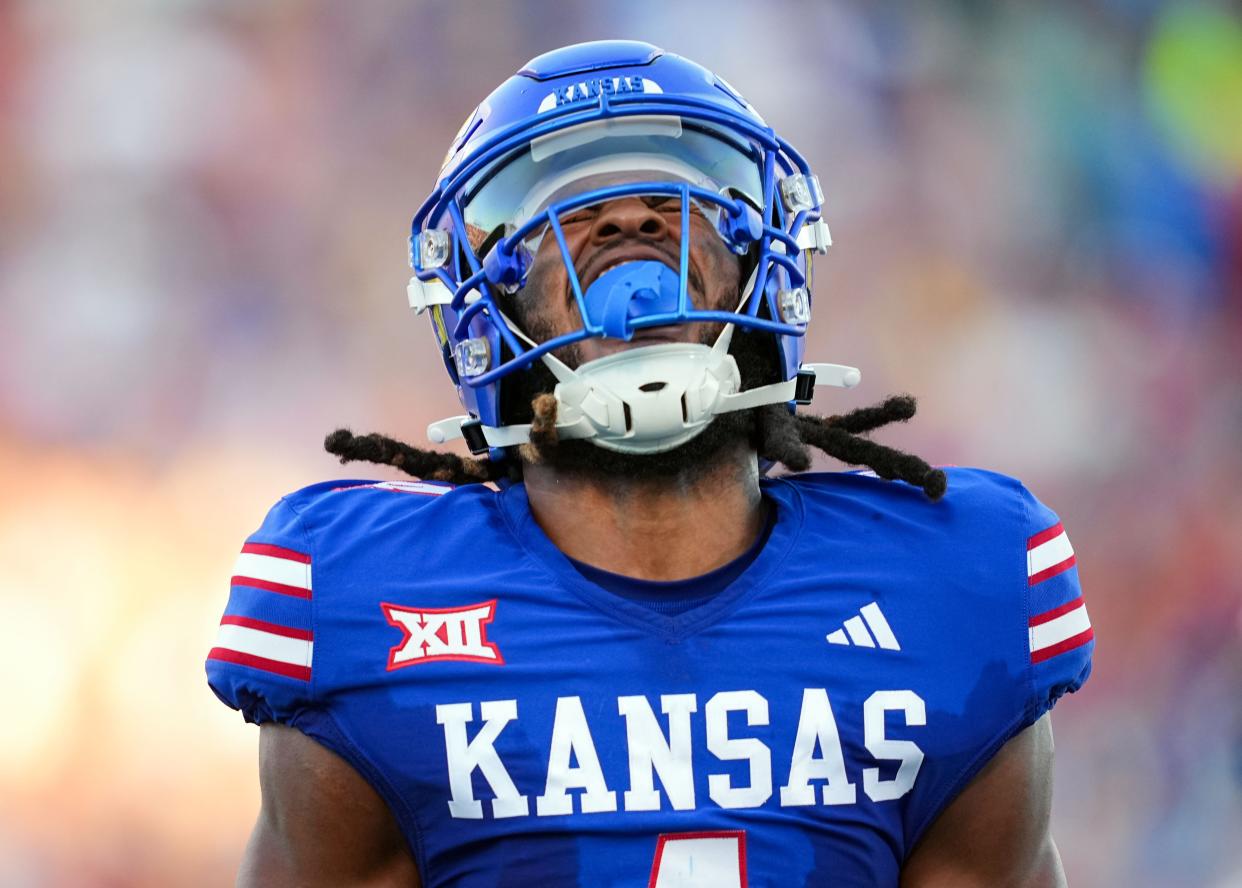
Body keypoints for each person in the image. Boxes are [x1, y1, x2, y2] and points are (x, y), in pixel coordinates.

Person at [206, 40, 1093, 887]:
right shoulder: (360, 600)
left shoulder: (953, 584)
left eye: (674, 204)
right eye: (572, 210)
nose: (629, 219)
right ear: (486, 312)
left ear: (762, 270)